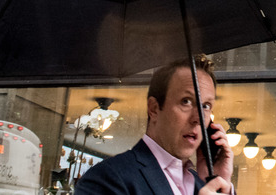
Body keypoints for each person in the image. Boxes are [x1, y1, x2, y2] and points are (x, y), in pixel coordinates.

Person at [76, 55, 234, 194]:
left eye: (206, 106)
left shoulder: (203, 184)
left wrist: (220, 183)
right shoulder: (106, 178)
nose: (198, 118)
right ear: (154, 108)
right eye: (186, 101)